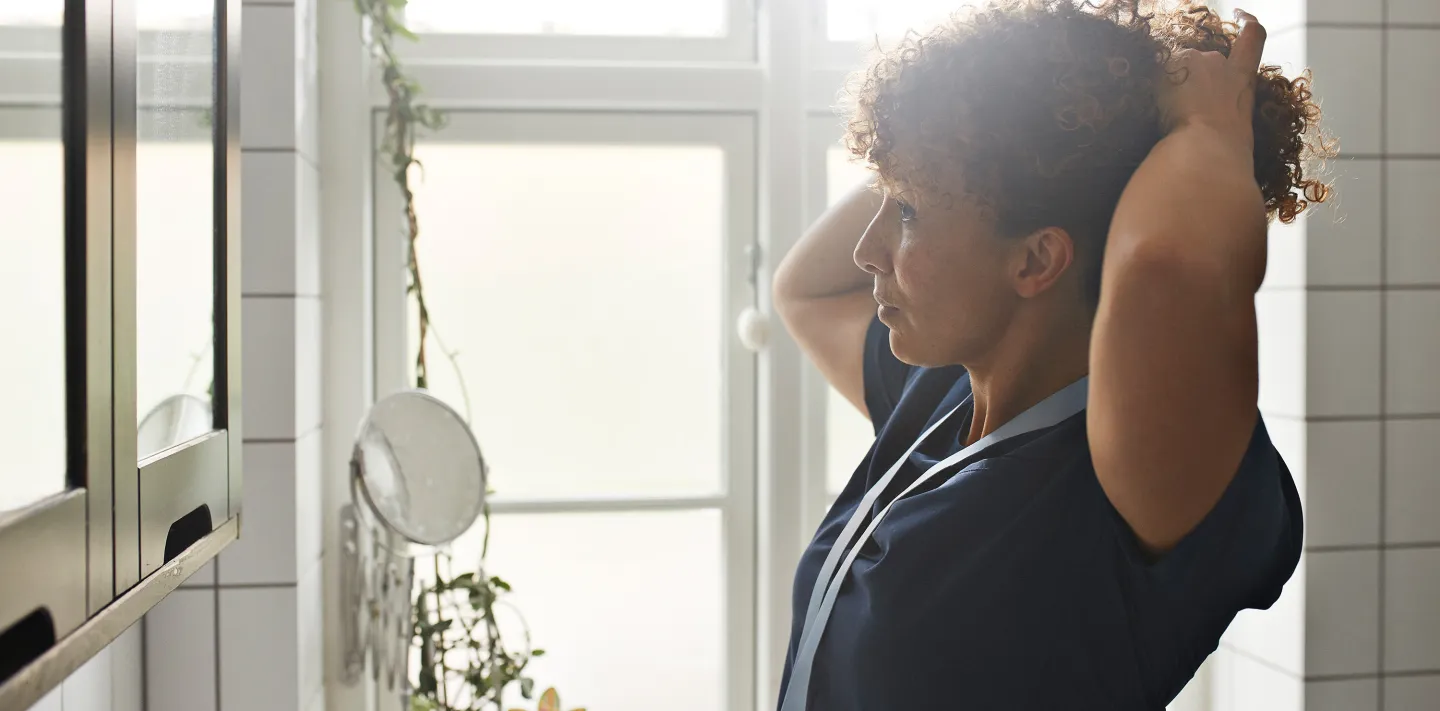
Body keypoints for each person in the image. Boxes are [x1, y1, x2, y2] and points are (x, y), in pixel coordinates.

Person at [771, 1, 1333, 708]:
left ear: (1038, 258)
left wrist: (1207, 127)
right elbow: (806, 291)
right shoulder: (942, 393)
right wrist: (956, 133)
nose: (867, 252)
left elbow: (1166, 264)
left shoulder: (1138, 477)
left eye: (908, 212)